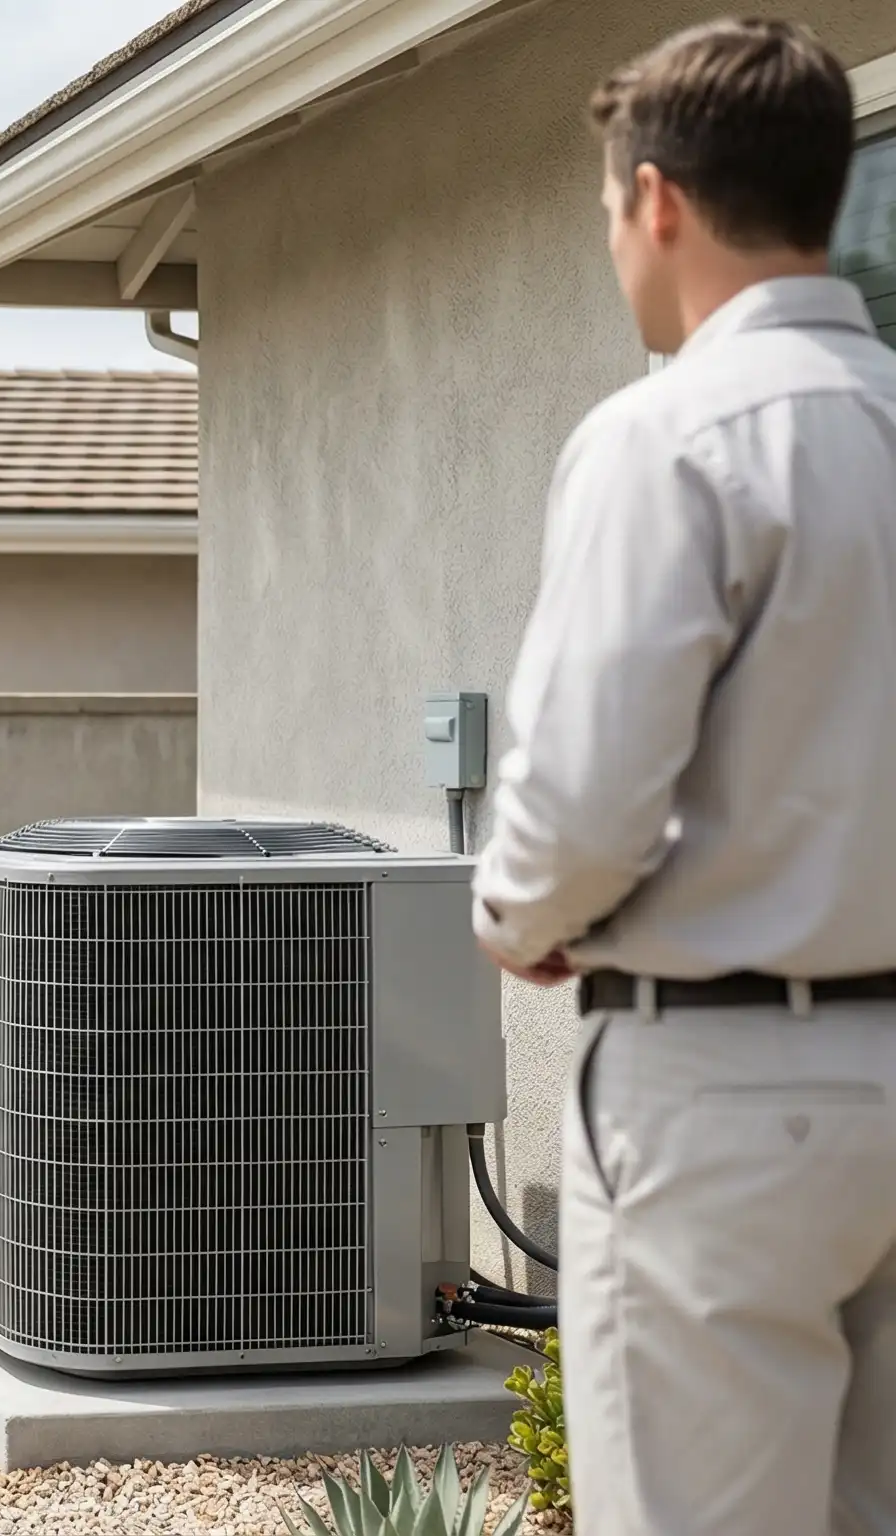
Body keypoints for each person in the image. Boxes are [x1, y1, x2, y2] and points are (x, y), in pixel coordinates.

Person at [471, 18, 896, 1535]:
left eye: (606, 215)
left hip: (723, 1097)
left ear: (656, 200)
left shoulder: (668, 439)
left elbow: (581, 806)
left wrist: (519, 915)